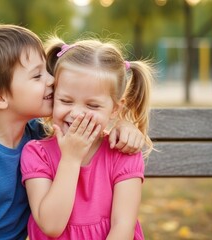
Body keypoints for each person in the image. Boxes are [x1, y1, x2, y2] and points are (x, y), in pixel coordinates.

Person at [0, 24, 146, 239]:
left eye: (47, 70)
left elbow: (90, 99)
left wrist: (122, 125)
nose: (52, 80)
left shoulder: (36, 134)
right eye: (37, 75)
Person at [20, 36, 154, 240]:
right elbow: (51, 226)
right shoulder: (36, 153)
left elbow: (123, 227)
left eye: (92, 106)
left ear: (115, 109)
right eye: (65, 100)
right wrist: (71, 158)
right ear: (53, 96)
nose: (77, 114)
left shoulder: (123, 154)